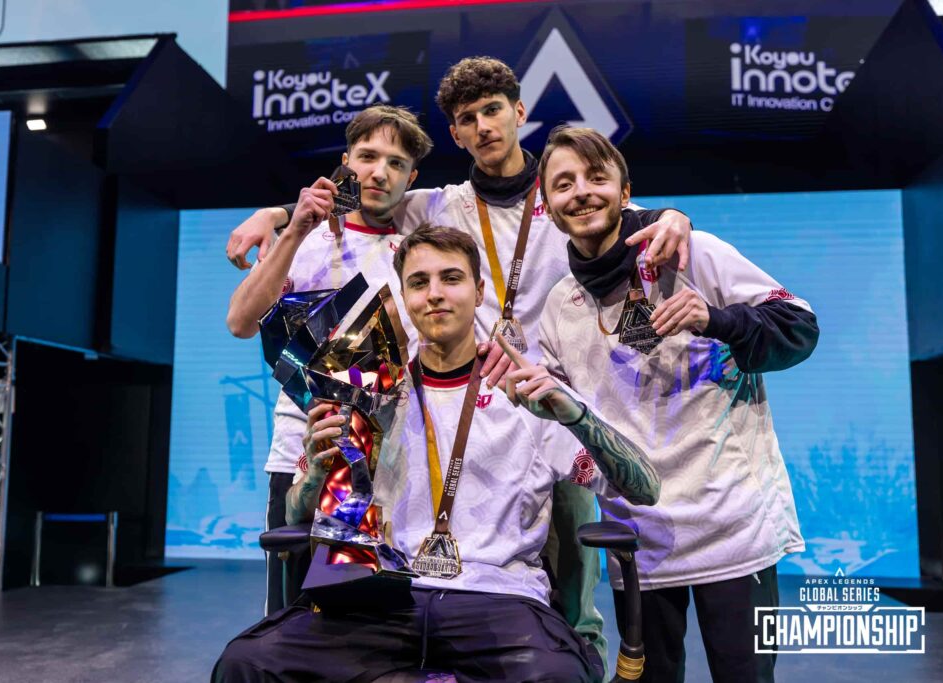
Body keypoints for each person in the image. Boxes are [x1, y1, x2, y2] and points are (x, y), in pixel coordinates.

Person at [225, 56, 694, 661]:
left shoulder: (558, 197)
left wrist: (672, 216)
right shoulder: (435, 207)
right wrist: (279, 215)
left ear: (519, 111)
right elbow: (361, 200)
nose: (483, 127)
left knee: (570, 590)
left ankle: (574, 655)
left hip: (526, 402)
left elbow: (611, 211)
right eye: (467, 119)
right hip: (361, 419)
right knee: (312, 611)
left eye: (493, 111)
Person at [213, 225, 661, 683]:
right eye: (419, 282)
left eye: (451, 278)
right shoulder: (367, 394)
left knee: (556, 676)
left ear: (479, 291)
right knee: (246, 663)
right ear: (404, 297)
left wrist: (575, 415)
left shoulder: (527, 393)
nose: (435, 294)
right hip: (384, 601)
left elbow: (645, 489)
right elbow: (296, 515)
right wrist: (314, 474)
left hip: (498, 599)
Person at [528, 124, 819, 683]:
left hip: (733, 526)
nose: (581, 192)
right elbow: (555, 422)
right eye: (563, 184)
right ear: (549, 206)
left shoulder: (694, 254)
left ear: (625, 190)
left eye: (596, 177)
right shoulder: (560, 305)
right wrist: (596, 471)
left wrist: (718, 320)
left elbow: (800, 328)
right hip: (639, 538)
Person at [226, 105, 433, 613]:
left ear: (412, 178)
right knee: (291, 618)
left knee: (378, 618)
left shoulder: (421, 248)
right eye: (367, 157)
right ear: (345, 162)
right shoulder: (305, 239)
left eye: (396, 163)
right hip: (301, 458)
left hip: (391, 465)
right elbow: (240, 321)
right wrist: (289, 224)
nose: (379, 172)